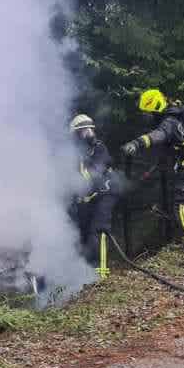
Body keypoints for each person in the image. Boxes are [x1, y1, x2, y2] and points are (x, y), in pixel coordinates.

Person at [119, 89, 184, 251]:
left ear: (155, 109)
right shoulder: (175, 117)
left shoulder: (168, 122)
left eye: (148, 113)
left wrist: (137, 144)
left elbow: (159, 135)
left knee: (181, 205)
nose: (146, 117)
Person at [69, 114, 118, 279]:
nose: (89, 133)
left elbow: (92, 175)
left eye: (89, 130)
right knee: (81, 234)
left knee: (98, 230)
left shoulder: (99, 148)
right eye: (84, 131)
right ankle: (84, 274)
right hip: (89, 199)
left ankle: (101, 275)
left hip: (105, 194)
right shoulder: (77, 154)